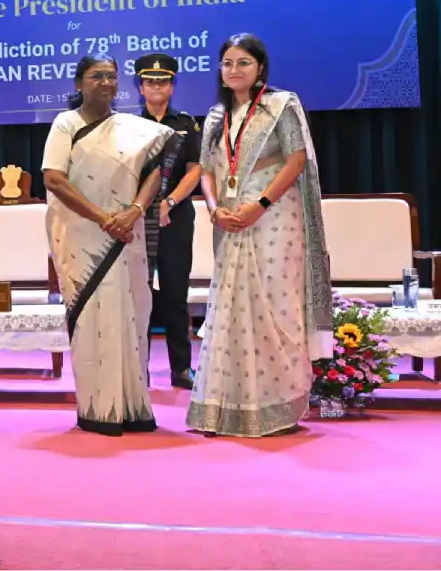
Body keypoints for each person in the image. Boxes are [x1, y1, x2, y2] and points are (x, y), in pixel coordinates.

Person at [187, 34, 332, 438]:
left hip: (274, 219)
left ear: (260, 68)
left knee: (274, 304)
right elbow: (207, 170)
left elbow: (297, 159)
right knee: (232, 306)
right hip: (231, 219)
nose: (234, 70)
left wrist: (261, 205)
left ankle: (277, 406)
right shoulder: (217, 116)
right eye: (228, 63)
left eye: (243, 63)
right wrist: (214, 209)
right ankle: (224, 408)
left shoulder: (281, 105)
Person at [42, 54, 183, 436]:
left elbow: (154, 173)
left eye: (111, 76)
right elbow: (55, 180)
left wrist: (135, 210)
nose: (105, 82)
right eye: (95, 76)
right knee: (91, 317)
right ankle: (97, 408)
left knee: (132, 312)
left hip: (127, 233)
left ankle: (133, 406)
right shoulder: (65, 124)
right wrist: (103, 217)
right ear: (78, 83)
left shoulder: (133, 129)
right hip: (83, 236)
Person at [134, 53, 202, 390]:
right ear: (141, 88)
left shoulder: (187, 123)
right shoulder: (129, 126)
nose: (156, 86)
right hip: (139, 220)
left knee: (176, 293)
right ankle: (138, 369)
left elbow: (196, 170)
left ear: (172, 86)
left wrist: (170, 202)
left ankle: (181, 367)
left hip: (177, 217)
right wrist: (147, 206)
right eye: (149, 81)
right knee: (139, 295)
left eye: (163, 81)